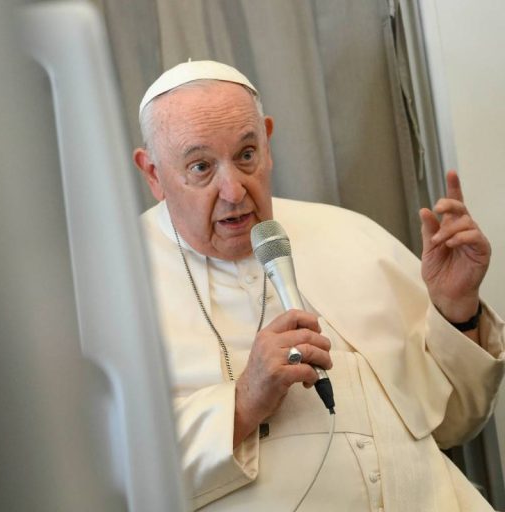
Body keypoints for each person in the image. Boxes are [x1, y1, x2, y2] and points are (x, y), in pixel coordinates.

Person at [133, 60, 505, 511]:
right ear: (153, 172)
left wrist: (455, 310)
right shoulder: (116, 286)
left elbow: (457, 421)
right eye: (200, 167)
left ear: (267, 143)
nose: (233, 191)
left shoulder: (348, 233)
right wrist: (242, 403)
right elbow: (111, 475)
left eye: (247, 154)